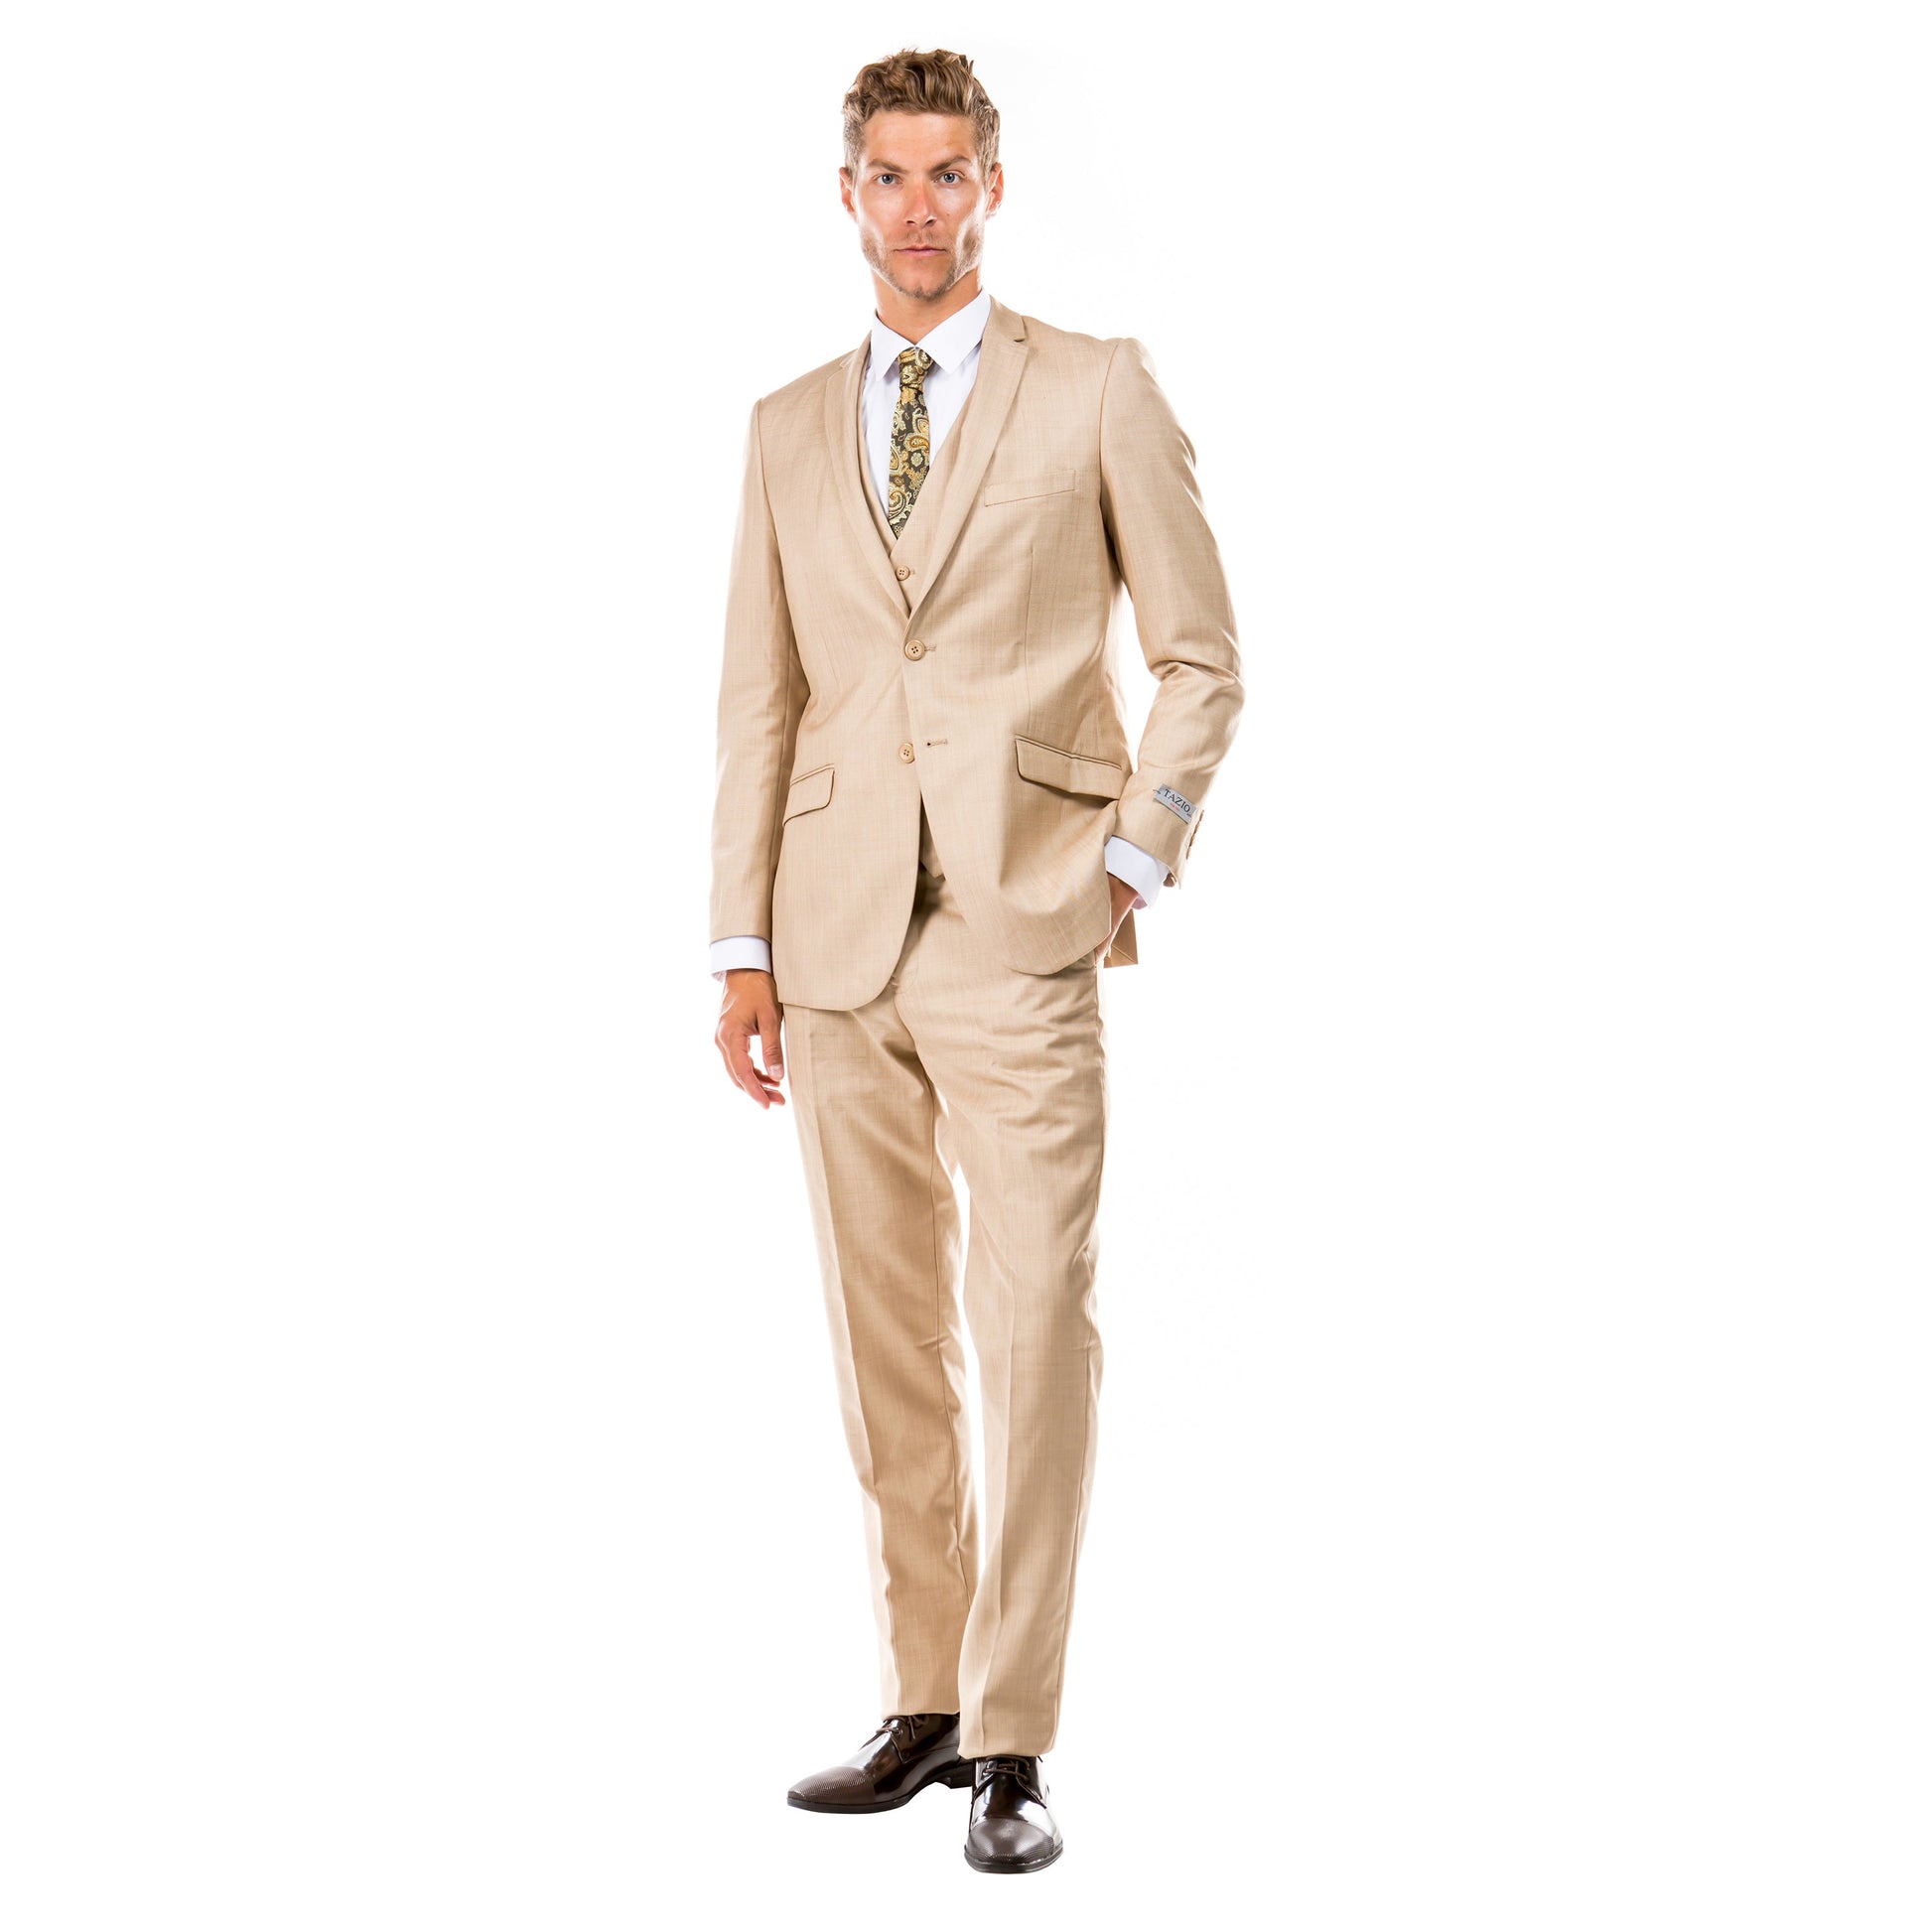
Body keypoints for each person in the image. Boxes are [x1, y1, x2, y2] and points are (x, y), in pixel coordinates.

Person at [706, 46, 1244, 1874]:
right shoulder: (785, 426)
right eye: (889, 176)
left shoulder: (1093, 387)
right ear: (846, 194)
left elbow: (1203, 656)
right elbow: (759, 700)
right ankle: (923, 1699)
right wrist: (739, 945)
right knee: (884, 1335)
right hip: (830, 939)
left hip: (1024, 925)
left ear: (992, 187)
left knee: (1033, 1325)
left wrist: (1129, 858)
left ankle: (1015, 1733)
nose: (918, 208)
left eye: (949, 175)